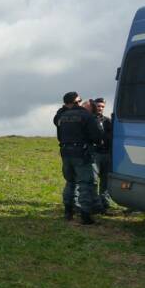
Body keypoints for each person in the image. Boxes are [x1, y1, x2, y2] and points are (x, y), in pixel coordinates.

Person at [54, 91, 102, 225]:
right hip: (81, 153)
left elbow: (59, 136)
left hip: (65, 152)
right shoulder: (85, 115)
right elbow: (96, 136)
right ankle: (85, 215)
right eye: (80, 100)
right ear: (76, 101)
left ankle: (68, 211)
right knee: (85, 183)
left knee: (70, 181)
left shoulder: (61, 116)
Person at [91, 97, 113, 213]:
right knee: (94, 180)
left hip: (106, 153)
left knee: (105, 180)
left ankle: (105, 203)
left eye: (102, 106)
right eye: (99, 106)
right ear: (95, 106)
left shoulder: (108, 121)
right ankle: (95, 204)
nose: (100, 108)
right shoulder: (90, 120)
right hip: (95, 153)